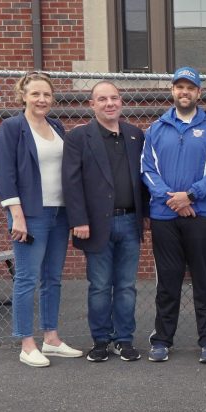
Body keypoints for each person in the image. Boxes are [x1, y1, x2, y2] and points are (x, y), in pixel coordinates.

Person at [0, 71, 83, 367]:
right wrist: (16, 215)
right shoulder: (12, 127)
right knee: (26, 279)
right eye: (35, 94)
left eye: (46, 94)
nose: (41, 99)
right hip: (30, 215)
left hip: (59, 213)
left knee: (52, 279)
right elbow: (5, 174)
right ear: (23, 96)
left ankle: (51, 338)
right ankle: (27, 343)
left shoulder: (56, 125)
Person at [141, 66, 206, 363]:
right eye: (179, 87)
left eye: (190, 87)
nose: (184, 92)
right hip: (164, 216)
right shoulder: (155, 129)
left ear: (198, 93)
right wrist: (174, 200)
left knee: (204, 280)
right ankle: (162, 339)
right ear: (172, 91)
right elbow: (147, 171)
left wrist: (191, 195)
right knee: (168, 280)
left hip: (201, 214)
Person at [62, 81, 147, 362]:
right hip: (95, 224)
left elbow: (144, 179)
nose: (109, 103)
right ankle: (100, 340)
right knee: (99, 285)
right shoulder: (78, 137)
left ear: (121, 102)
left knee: (126, 286)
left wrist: (145, 216)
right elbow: (71, 182)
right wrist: (79, 219)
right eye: (102, 99)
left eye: (114, 98)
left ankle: (124, 340)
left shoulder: (135, 136)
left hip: (130, 222)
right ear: (92, 104)